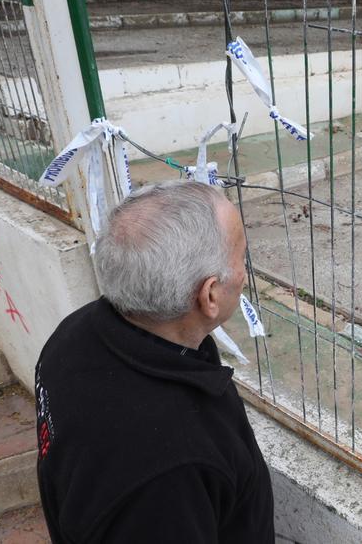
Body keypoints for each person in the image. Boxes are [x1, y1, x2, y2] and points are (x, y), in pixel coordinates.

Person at [34, 181, 274, 543]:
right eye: (241, 256)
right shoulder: (172, 470)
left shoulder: (76, 334)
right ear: (209, 294)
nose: (243, 272)